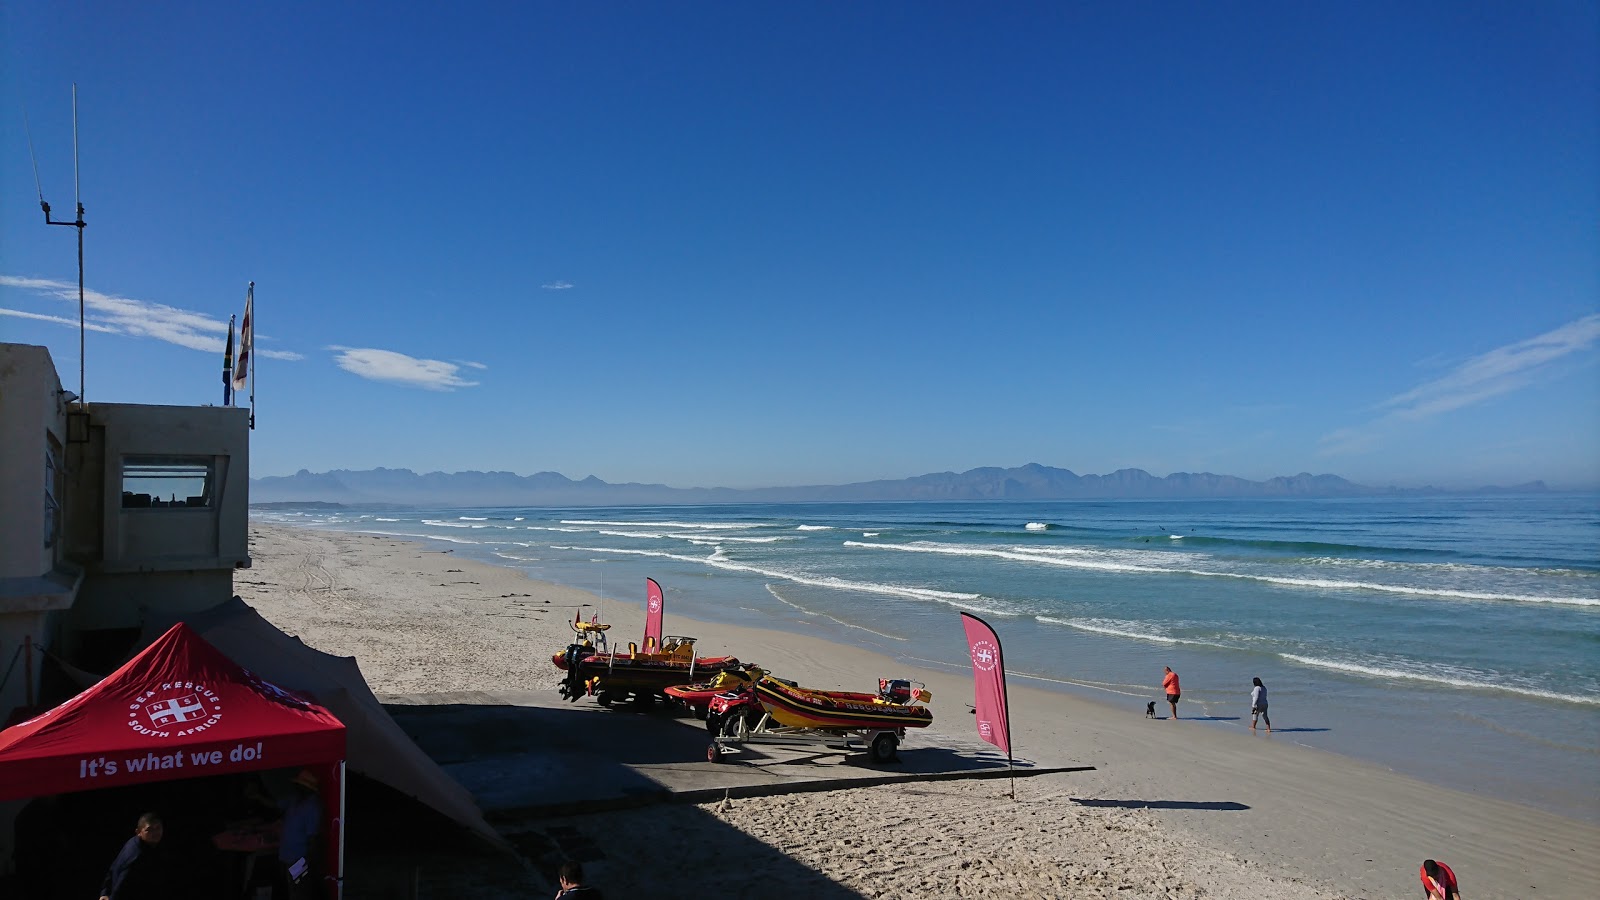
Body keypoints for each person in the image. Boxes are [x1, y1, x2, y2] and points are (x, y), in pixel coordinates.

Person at [249, 768, 323, 899]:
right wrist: (258, 797)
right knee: (289, 888)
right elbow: (276, 805)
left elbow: (313, 839)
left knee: (299, 891)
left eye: (299, 785)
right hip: (286, 856)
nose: (296, 787)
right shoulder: (295, 800)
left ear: (307, 788)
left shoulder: (312, 807)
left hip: (298, 859)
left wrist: (305, 864)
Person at [98, 812, 170, 900]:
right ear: (138, 832)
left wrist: (105, 892)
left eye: (158, 828)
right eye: (149, 829)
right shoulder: (138, 856)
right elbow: (122, 885)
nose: (155, 832)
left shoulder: (133, 841)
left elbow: (113, 867)